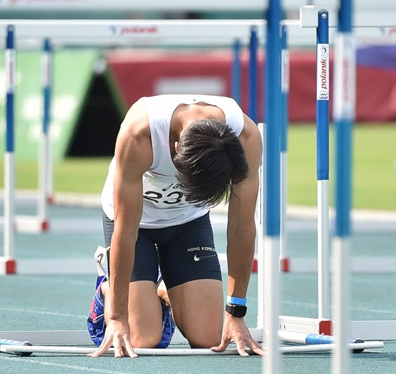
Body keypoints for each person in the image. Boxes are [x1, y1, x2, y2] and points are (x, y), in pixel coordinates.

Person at [87, 94, 265, 358]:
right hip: (136, 224)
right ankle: (107, 288)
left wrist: (235, 313)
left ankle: (160, 290)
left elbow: (240, 227)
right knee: (143, 340)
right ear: (176, 147)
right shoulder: (139, 134)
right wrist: (116, 316)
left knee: (208, 339)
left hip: (188, 222)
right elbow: (126, 229)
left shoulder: (246, 138)